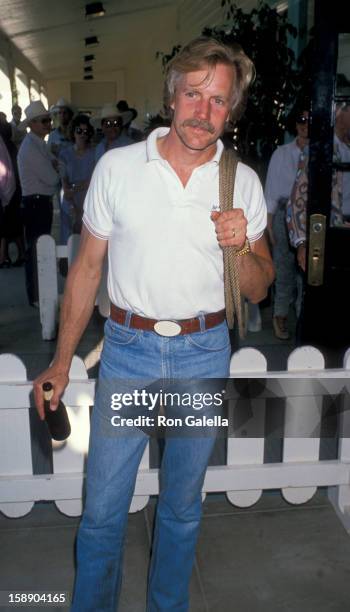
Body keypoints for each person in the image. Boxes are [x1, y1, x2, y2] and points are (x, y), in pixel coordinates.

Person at [33, 37, 274, 611]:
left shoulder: (241, 183)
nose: (203, 111)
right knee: (101, 514)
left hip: (202, 353)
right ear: (172, 96)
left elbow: (261, 286)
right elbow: (89, 269)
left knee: (183, 511)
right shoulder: (119, 168)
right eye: (194, 94)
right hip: (128, 353)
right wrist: (61, 362)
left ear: (230, 110)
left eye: (218, 101)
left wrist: (240, 247)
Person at [265, 103, 309, 340]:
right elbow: (271, 192)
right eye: (301, 120)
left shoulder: (325, 153)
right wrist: (269, 226)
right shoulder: (281, 153)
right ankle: (280, 315)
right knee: (283, 269)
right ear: (295, 124)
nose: (305, 125)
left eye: (309, 120)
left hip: (312, 218)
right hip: (283, 217)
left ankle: (304, 320)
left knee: (308, 271)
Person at [17, 100, 60, 306]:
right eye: (43, 120)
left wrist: (55, 168)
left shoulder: (38, 144)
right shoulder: (31, 148)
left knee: (38, 249)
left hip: (38, 203)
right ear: (32, 124)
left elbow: (55, 169)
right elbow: (53, 178)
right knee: (35, 250)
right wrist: (55, 170)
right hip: (36, 204)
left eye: (48, 120)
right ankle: (35, 296)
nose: (48, 123)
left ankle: (37, 294)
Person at [59, 114, 95, 241]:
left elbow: (93, 180)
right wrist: (72, 199)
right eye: (79, 130)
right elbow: (64, 180)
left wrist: (76, 188)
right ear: (73, 132)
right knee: (68, 239)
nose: (82, 134)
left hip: (89, 199)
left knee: (87, 238)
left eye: (86, 131)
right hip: (70, 200)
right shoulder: (64, 154)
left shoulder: (94, 153)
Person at [0, 117, 25, 267]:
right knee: (12, 226)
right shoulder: (10, 146)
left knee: (8, 226)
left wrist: (5, 197)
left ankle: (5, 256)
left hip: (8, 191)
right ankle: (9, 255)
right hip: (12, 190)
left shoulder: (4, 146)